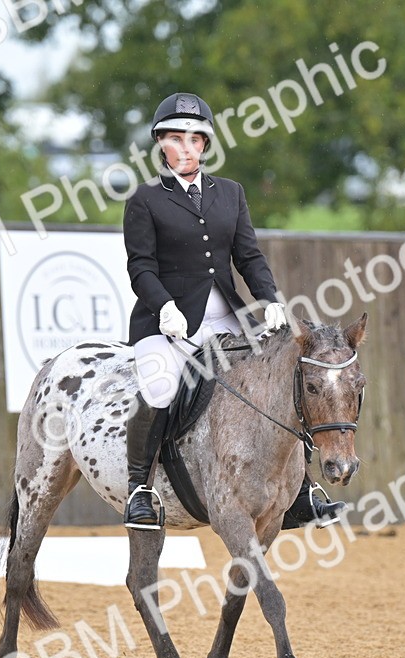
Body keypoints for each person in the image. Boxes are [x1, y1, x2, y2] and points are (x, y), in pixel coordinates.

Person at [121, 91, 346, 530]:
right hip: (166, 320)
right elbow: (140, 267)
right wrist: (163, 305)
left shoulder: (230, 193)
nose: (185, 147)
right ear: (161, 145)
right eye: (174, 139)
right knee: (161, 388)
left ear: (204, 145)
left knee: (282, 376)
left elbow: (248, 257)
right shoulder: (144, 200)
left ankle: (300, 494)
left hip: (226, 316)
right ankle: (140, 490)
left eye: (193, 139)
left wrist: (271, 301)